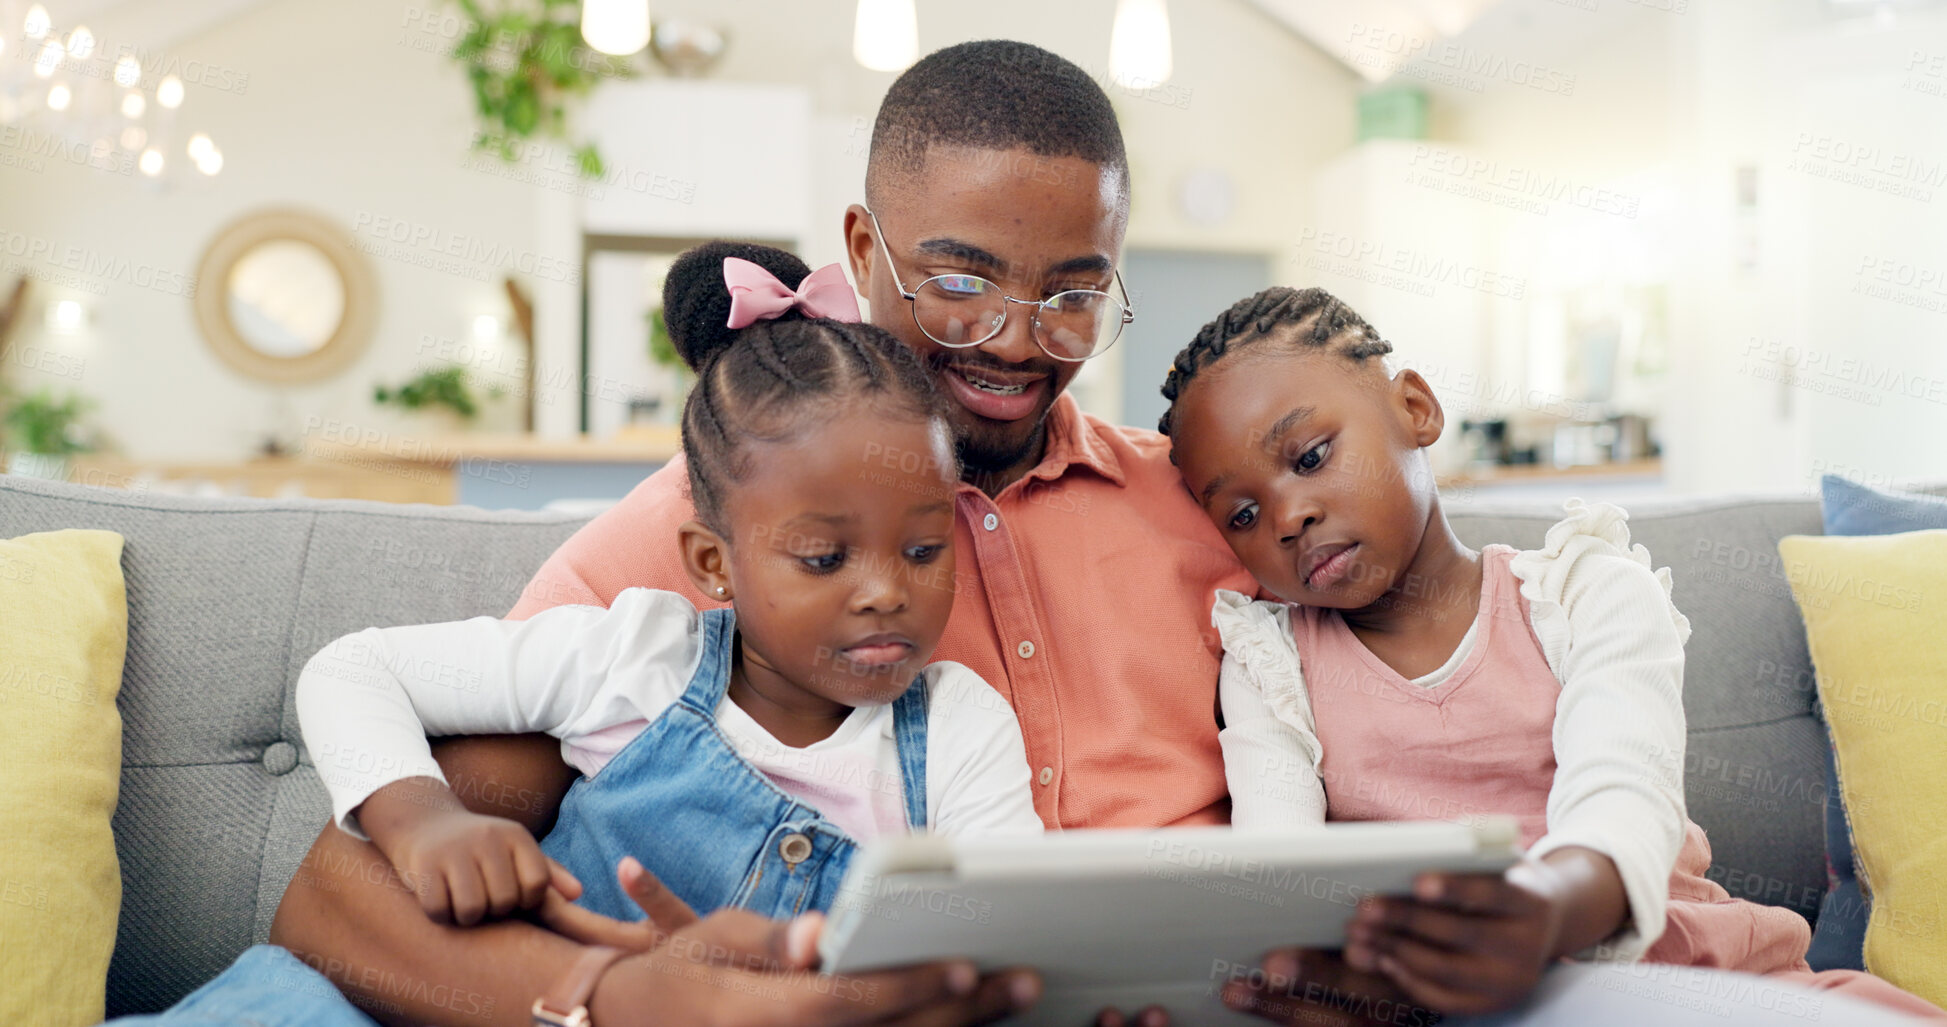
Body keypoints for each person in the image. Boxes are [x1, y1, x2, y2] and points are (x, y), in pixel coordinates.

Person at [271, 38, 1269, 1027]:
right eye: (960, 285)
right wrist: (616, 998)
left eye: (1072, 297)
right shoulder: (704, 529)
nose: (1014, 339)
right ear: (867, 250)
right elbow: (340, 905)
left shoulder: (1218, 510)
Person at [1157, 285, 1947, 1023]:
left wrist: (1537, 916)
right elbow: (1282, 871)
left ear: (1414, 409)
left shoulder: (1587, 592)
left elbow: (1623, 799)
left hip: (1686, 974)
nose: (1287, 517)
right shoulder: (1268, 663)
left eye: (1309, 456)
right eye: (1243, 512)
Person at [296, 241, 1041, 942]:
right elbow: (355, 670)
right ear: (712, 562)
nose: (884, 591)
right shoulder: (629, 657)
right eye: (822, 557)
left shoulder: (960, 730)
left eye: (922, 549)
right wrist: (422, 821)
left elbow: (1012, 935)